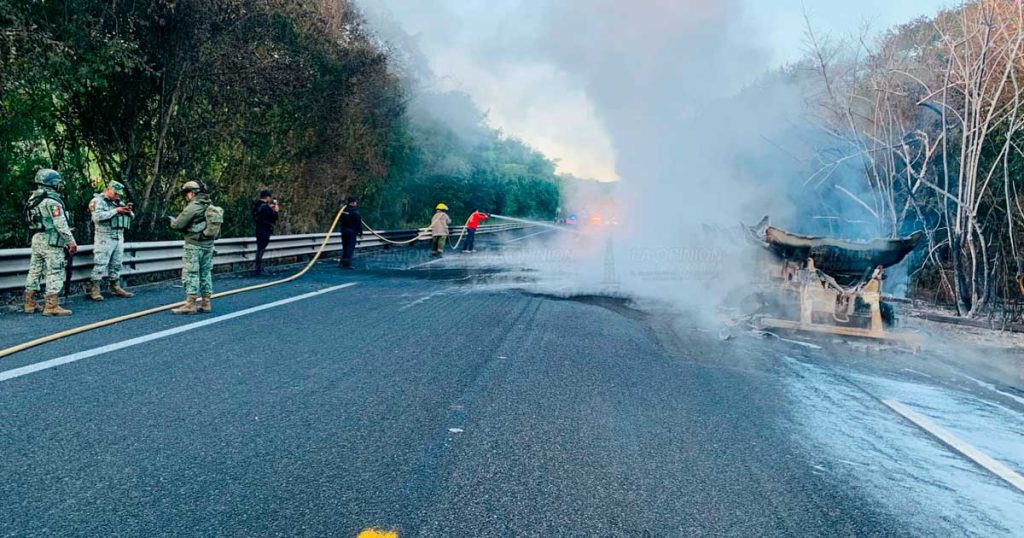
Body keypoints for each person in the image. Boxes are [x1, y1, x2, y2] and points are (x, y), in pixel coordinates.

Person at [23, 168, 78, 316]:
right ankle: (51, 306)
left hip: (37, 238)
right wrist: (71, 241)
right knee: (55, 270)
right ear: (53, 183)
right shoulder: (52, 202)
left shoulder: (33, 199)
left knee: (34, 270)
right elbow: (61, 224)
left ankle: (29, 303)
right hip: (51, 240)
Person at [169, 181, 215, 315]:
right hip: (208, 245)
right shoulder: (209, 204)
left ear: (191, 193)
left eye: (186, 194)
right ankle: (206, 303)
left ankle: (190, 304)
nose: (186, 197)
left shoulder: (194, 206)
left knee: (191, 273)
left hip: (194, 245)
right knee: (205, 273)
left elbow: (178, 224)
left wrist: (173, 222)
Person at [87, 181, 135, 300]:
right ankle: (95, 289)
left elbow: (132, 216)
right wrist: (116, 211)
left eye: (119, 194)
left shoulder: (117, 202)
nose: (117, 196)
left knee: (117, 264)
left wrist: (128, 212)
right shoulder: (98, 201)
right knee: (101, 263)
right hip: (104, 237)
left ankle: (115, 286)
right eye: (115, 193)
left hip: (119, 236)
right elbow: (97, 217)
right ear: (108, 189)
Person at [252, 189, 279, 276]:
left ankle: (257, 267)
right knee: (261, 249)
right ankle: (258, 268)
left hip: (258, 228)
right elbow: (274, 217)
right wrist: (276, 210)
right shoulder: (266, 207)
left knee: (259, 248)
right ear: (267, 197)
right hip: (265, 230)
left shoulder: (256, 205)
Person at [339, 196, 362, 269]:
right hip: (352, 232)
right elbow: (358, 223)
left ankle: (342, 263)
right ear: (354, 202)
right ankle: (347, 264)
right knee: (350, 248)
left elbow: (338, 219)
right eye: (356, 202)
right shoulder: (355, 211)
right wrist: (361, 233)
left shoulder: (343, 210)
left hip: (344, 231)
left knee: (345, 247)